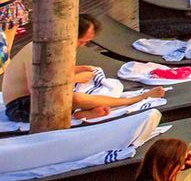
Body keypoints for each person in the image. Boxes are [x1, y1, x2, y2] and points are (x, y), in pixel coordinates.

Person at [2, 16, 162, 122]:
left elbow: (51, 75)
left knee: (84, 88)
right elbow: (40, 90)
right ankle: (132, 100)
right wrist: (75, 78)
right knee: (75, 97)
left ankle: (80, 114)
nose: (82, 46)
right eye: (82, 41)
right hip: (20, 106)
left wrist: (80, 69)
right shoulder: (39, 50)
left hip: (36, 98)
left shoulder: (53, 47)